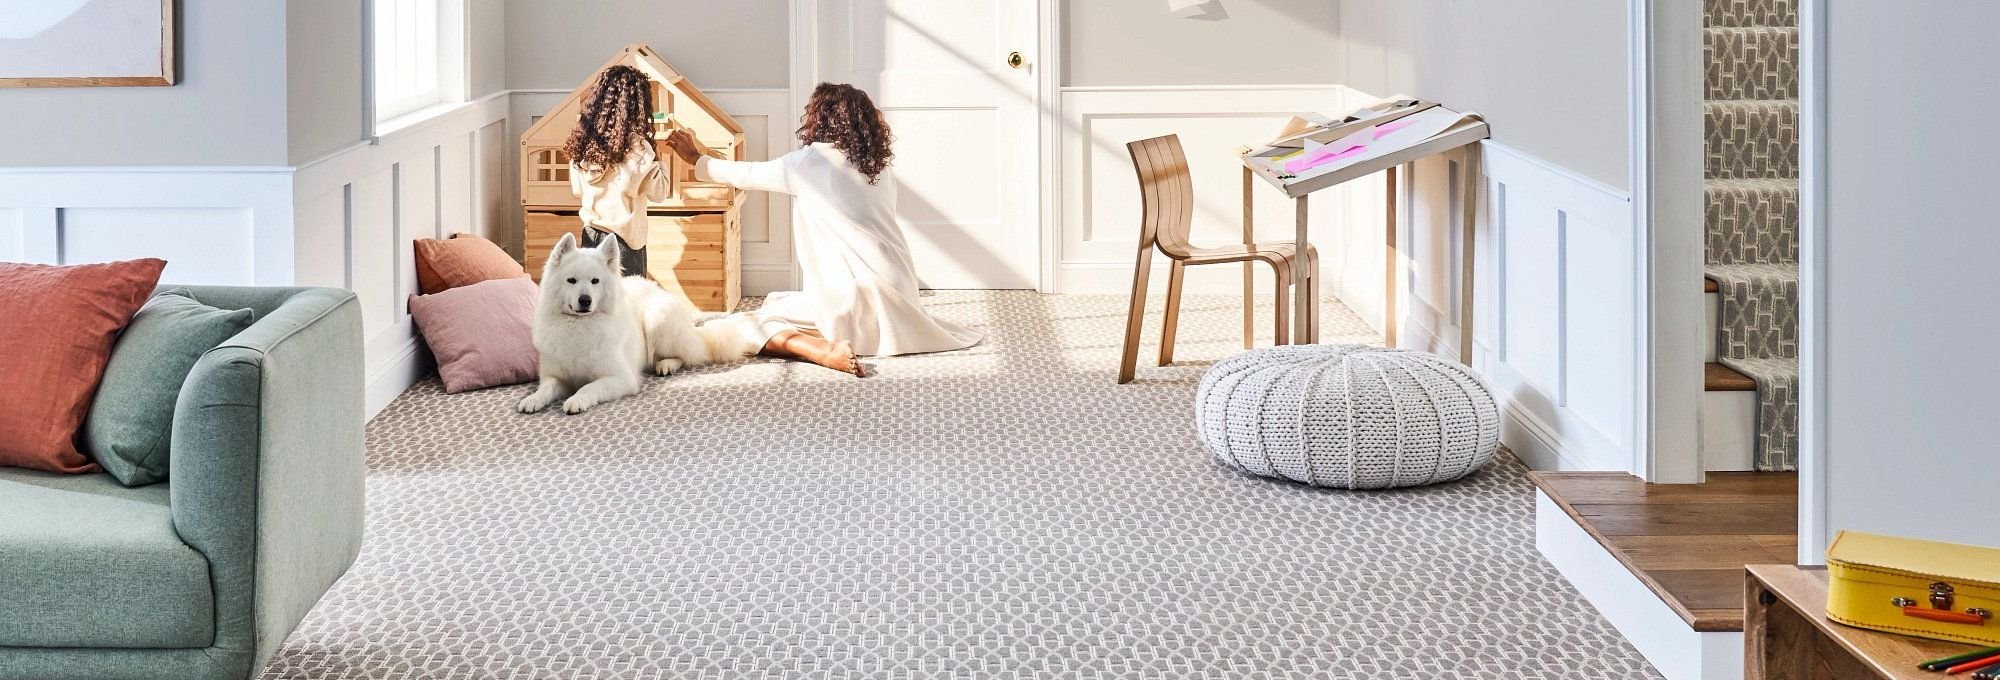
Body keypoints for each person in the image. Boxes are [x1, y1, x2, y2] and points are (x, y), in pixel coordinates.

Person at [663, 82, 983, 361]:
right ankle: (825, 341)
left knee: (744, 324)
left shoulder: (811, 162)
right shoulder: (877, 166)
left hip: (854, 299)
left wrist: (696, 158)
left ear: (820, 119)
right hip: (901, 291)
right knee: (778, 302)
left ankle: (818, 351)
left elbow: (747, 174)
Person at [564, 64, 668, 276]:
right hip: (626, 242)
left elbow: (577, 190)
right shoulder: (638, 149)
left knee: (598, 297)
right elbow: (660, 193)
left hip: (591, 235)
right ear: (639, 106)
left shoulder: (583, 143)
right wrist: (659, 160)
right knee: (628, 300)